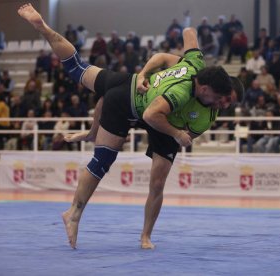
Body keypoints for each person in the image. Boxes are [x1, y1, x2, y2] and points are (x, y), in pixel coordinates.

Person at [18, 3, 242, 250]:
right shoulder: (181, 93)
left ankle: (145, 235)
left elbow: (188, 32)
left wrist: (147, 74)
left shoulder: (197, 64)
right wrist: (178, 133)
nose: (222, 106)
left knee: (78, 68)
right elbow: (151, 114)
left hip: (135, 88)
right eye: (222, 100)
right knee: (102, 160)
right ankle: (73, 212)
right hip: (136, 105)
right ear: (206, 89)